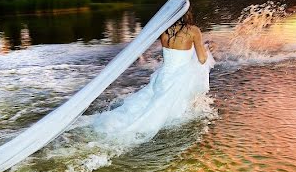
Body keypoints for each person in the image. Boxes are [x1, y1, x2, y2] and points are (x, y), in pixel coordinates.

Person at [87, 8, 215, 144]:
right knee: (168, 111)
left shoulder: (163, 30)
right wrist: (207, 48)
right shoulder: (193, 30)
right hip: (180, 78)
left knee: (150, 103)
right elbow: (201, 59)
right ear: (186, 13)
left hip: (163, 77)